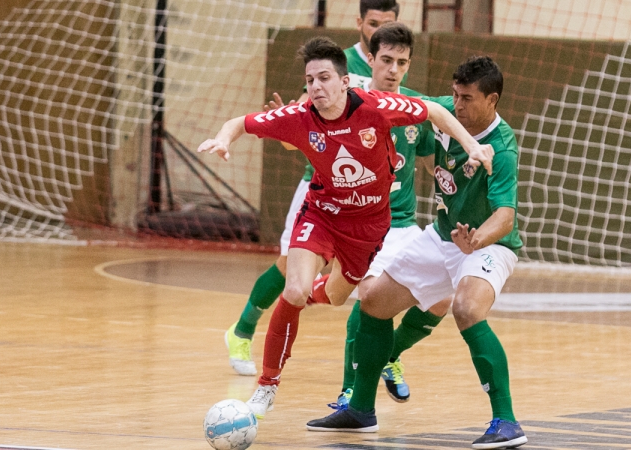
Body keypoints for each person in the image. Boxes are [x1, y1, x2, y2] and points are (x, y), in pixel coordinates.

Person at [199, 36, 493, 419]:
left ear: (345, 82)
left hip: (369, 228)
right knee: (294, 288)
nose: (316, 87)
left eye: (324, 78)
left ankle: (320, 294)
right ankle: (267, 387)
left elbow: (435, 113)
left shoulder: (377, 107)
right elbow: (239, 122)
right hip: (320, 214)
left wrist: (471, 145)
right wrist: (223, 139)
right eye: (310, 80)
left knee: (337, 296)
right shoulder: (300, 116)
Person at [306, 56, 528, 450]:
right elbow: (392, 101)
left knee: (466, 308)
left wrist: (476, 240)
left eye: (468, 99)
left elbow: (506, 217)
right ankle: (360, 409)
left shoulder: (501, 146)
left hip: (486, 245)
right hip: (442, 236)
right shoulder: (445, 111)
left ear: (492, 100)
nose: (457, 105)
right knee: (372, 300)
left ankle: (506, 421)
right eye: (455, 95)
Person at [224, 0, 402, 378]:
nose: (378, 31)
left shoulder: (392, 67)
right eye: (373, 23)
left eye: (387, 24)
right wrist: (283, 128)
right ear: (359, 23)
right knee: (291, 266)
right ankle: (242, 330)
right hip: (320, 189)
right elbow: (297, 134)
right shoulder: (335, 65)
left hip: (366, 202)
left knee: (337, 291)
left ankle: (305, 301)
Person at [329, 23, 453, 411]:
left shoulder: (418, 108)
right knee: (368, 296)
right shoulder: (350, 103)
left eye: (402, 62)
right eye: (386, 60)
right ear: (370, 59)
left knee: (441, 300)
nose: (394, 69)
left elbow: (434, 166)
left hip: (404, 224)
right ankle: (350, 389)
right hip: (364, 225)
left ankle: (388, 355)